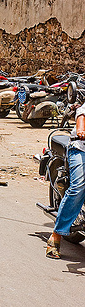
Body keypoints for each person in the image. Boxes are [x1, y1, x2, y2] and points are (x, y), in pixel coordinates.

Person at [46, 104, 85, 259]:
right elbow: (81, 119)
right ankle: (56, 235)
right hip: (81, 148)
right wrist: (81, 131)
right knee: (79, 187)